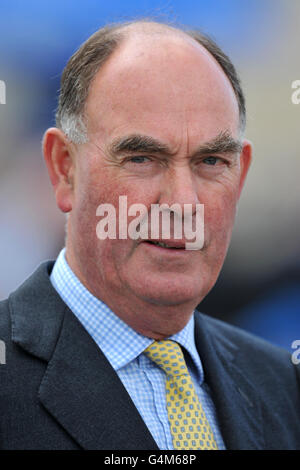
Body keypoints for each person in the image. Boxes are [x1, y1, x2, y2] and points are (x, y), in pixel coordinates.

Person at [0, 20, 300, 450]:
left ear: (242, 174)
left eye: (211, 161)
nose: (182, 202)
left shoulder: (281, 384)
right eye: (142, 158)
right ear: (64, 168)